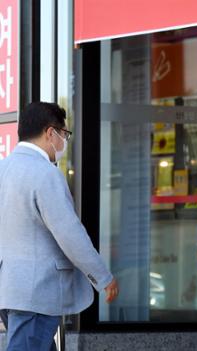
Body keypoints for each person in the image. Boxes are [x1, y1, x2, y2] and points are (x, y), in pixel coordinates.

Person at [0, 102, 119, 351]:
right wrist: (102, 277)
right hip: (37, 293)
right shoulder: (45, 173)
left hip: (9, 291)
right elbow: (70, 234)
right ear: (50, 132)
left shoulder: (4, 169)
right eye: (64, 134)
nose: (64, 141)